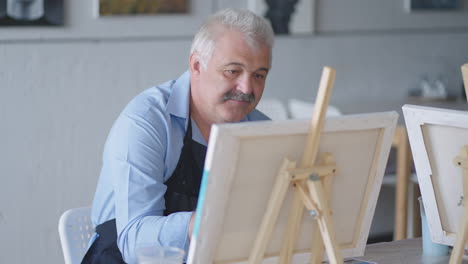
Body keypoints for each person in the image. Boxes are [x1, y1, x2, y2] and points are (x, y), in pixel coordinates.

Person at [82, 8, 275, 264]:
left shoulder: (260, 129)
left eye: (259, 75)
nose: (247, 88)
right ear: (197, 65)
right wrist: (202, 222)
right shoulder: (146, 121)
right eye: (232, 71)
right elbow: (133, 242)